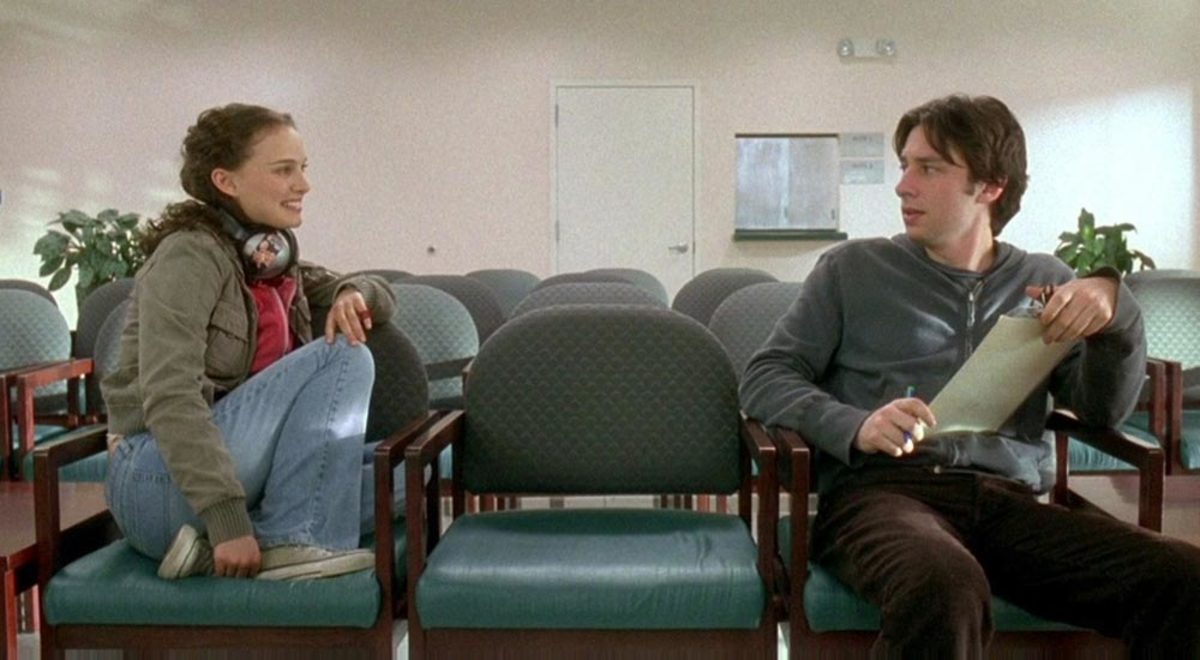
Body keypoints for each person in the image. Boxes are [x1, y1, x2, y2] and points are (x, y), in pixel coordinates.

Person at [740, 94, 1200, 658]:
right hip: (881, 496)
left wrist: (1117, 315)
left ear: (991, 186)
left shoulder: (1046, 279)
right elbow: (766, 374)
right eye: (905, 165)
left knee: (1183, 577)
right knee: (945, 585)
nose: (903, 186)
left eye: (928, 168)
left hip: (1007, 502)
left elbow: (1100, 410)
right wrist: (855, 424)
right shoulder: (852, 269)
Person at [102, 103, 397, 581]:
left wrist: (352, 293)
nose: (303, 185)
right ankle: (291, 538)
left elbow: (379, 293)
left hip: (237, 476)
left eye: (303, 168)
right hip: (160, 479)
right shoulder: (188, 257)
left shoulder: (270, 260)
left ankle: (224, 549)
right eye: (284, 170)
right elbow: (171, 397)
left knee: (405, 479)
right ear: (226, 181)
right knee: (344, 354)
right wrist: (227, 522)